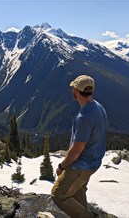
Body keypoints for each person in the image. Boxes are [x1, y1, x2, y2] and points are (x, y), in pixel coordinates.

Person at [51, 75, 107, 218]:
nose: (72, 91)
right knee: (77, 192)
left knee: (58, 195)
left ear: (76, 90)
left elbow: (76, 150)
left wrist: (62, 166)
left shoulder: (84, 117)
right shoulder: (98, 107)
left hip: (80, 166)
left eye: (73, 88)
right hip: (93, 162)